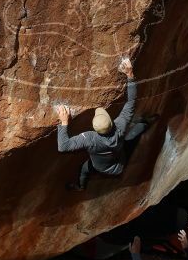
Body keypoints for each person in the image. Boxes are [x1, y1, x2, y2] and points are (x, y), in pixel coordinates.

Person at [55, 58, 149, 191]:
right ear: (111, 122)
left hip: (99, 166)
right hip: (119, 162)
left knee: (83, 170)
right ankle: (149, 121)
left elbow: (63, 147)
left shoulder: (90, 138)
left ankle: (81, 188)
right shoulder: (120, 125)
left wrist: (64, 122)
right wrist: (130, 75)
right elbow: (131, 101)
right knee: (136, 131)